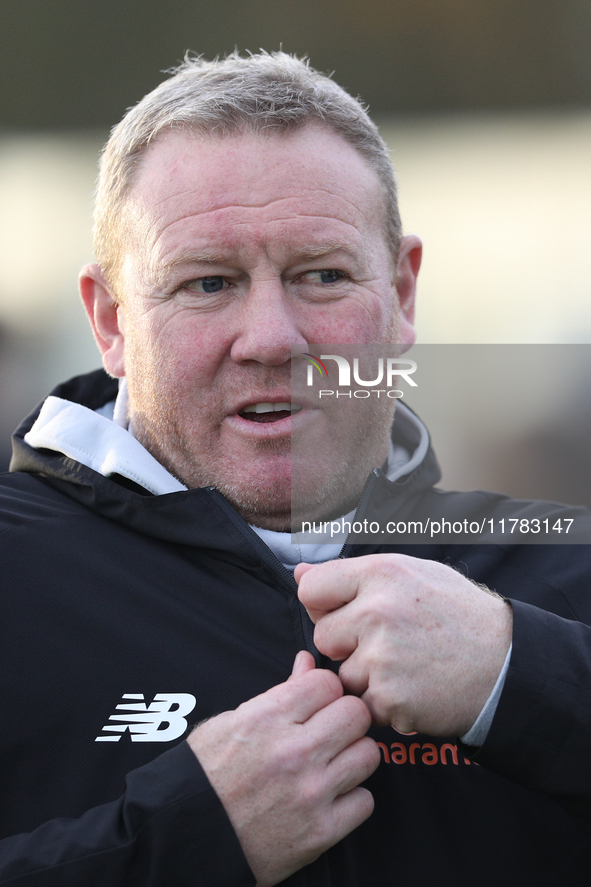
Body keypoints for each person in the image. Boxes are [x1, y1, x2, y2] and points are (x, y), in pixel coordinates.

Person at [1, 51, 591, 886]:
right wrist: (187, 840)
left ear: (402, 294)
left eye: (321, 276)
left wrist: (521, 679)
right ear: (112, 320)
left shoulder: (557, 577)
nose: (273, 338)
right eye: (208, 283)